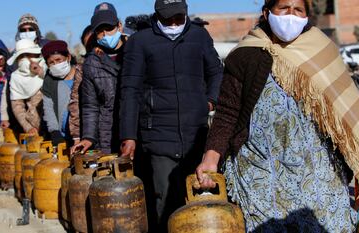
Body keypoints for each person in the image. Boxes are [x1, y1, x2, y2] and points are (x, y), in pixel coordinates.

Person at [196, 0, 359, 232]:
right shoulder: (246, 55)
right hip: (261, 172)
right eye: (283, 8)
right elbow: (227, 113)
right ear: (266, 12)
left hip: (318, 173)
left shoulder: (322, 51)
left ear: (306, 16)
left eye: (298, 10)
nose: (290, 15)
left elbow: (345, 109)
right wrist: (210, 157)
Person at [119, 0, 223, 231]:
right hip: (157, 134)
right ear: (157, 16)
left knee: (199, 196)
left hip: (196, 132)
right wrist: (128, 136)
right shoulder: (140, 42)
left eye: (179, 18)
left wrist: (209, 101)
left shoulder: (199, 37)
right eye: (168, 19)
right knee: (164, 199)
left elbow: (216, 72)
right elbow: (130, 90)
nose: (174, 24)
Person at [72, 2, 127, 154]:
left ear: (119, 26)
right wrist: (88, 137)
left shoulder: (135, 52)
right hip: (107, 133)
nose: (105, 35)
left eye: (109, 28)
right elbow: (90, 106)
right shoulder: (92, 63)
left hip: (134, 131)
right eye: (100, 31)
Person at [6, 39, 46, 135]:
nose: (26, 59)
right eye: (21, 57)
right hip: (36, 126)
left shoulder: (47, 66)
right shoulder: (16, 77)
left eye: (28, 55)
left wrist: (40, 72)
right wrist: (28, 127)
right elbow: (17, 106)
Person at [41, 40, 77, 146]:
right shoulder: (49, 80)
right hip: (63, 136)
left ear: (68, 57)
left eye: (58, 60)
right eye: (51, 63)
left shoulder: (82, 74)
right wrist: (54, 131)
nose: (56, 64)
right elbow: (48, 107)